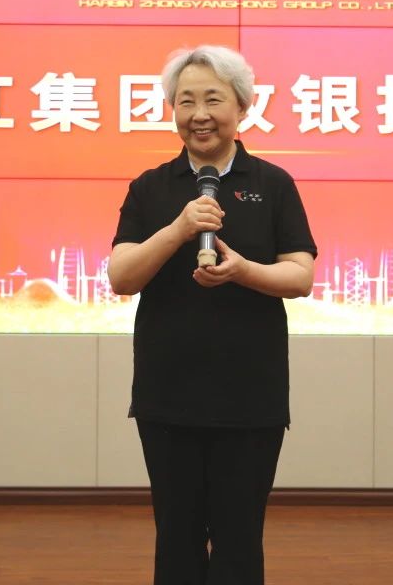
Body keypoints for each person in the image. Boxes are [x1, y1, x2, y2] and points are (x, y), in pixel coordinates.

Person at [108, 45, 317, 585]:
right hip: (167, 397)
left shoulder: (273, 183)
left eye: (213, 100)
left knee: (239, 540)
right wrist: (178, 229)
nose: (199, 114)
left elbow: (300, 276)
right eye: (186, 102)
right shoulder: (150, 187)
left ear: (242, 107)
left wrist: (244, 271)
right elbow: (121, 277)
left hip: (250, 397)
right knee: (176, 538)